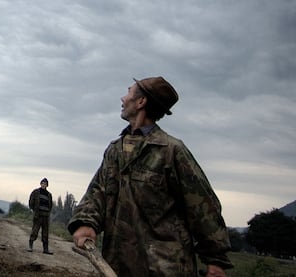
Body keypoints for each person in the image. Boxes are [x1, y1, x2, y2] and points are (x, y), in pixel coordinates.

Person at [68, 76, 233, 276]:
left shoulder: (171, 151)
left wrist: (215, 261)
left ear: (141, 102)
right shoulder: (115, 150)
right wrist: (86, 223)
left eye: (128, 92)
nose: (122, 98)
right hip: (117, 266)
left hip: (164, 268)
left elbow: (204, 209)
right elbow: (98, 192)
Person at [27, 178, 53, 254]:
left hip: (46, 216)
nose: (44, 185)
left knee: (45, 233)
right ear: (40, 184)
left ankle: (45, 249)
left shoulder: (49, 194)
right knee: (35, 231)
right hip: (38, 215)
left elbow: (50, 205)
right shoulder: (36, 192)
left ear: (47, 185)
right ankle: (30, 246)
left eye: (45, 184)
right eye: (43, 183)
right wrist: (34, 210)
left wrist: (48, 212)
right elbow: (31, 202)